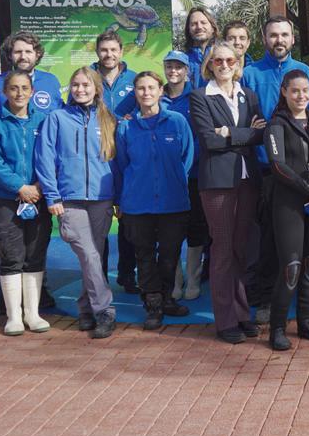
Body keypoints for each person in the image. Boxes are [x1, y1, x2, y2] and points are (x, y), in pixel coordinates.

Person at [241, 16, 309, 317]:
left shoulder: (306, 73)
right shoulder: (250, 74)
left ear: (292, 39)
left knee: (306, 242)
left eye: (285, 35)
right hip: (267, 171)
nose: (279, 40)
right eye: (274, 35)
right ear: (264, 38)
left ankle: (305, 302)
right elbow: (245, 121)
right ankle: (264, 300)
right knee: (268, 241)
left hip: (305, 174)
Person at [189, 41, 267, 344]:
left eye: (229, 60)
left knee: (241, 249)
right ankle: (225, 320)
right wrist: (242, 134)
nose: (224, 65)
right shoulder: (200, 97)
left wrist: (230, 133)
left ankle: (242, 313)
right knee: (222, 250)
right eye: (217, 61)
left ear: (237, 63)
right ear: (210, 64)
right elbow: (209, 141)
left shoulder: (249, 95)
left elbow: (261, 133)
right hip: (218, 184)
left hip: (247, 181)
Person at [36, 67, 119, 339]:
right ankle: (105, 309)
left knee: (93, 256)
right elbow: (45, 158)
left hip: (101, 198)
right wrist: (52, 195)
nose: (80, 89)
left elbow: (116, 162)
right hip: (69, 200)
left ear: (96, 89)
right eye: (75, 85)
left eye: (85, 85)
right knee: (89, 254)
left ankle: (85, 309)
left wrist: (118, 196)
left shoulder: (108, 120)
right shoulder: (57, 118)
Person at [114, 72, 195, 330]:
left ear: (161, 90)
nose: (146, 93)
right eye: (140, 88)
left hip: (173, 202)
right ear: (135, 93)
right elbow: (122, 164)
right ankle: (153, 304)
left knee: (170, 255)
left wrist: (176, 181)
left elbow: (188, 157)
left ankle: (167, 297)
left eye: (151, 88)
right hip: (138, 203)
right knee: (145, 255)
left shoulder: (177, 122)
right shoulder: (126, 127)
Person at [265, 70, 309, 350]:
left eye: (305, 91)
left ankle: (305, 322)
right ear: (284, 92)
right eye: (295, 91)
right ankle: (278, 328)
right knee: (292, 268)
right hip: (289, 204)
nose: (301, 96)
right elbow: (278, 166)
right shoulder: (276, 125)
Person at [0, 71, 53, 336]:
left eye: (24, 88)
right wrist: (20, 187)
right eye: (13, 88)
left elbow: (52, 156)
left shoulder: (44, 121)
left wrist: (39, 187)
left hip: (39, 198)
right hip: (5, 200)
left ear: (32, 91)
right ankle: (13, 316)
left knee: (35, 254)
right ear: (4, 92)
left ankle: (32, 314)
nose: (19, 93)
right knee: (10, 256)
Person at [93, 30, 138, 294]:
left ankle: (127, 273)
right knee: (99, 222)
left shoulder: (134, 80)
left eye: (113, 50)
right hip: (98, 157)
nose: (108, 55)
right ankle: (98, 277)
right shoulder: (88, 78)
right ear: (97, 51)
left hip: (128, 157)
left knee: (129, 220)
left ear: (121, 52)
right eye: (104, 50)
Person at [161, 51, 208, 301]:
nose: (174, 71)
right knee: (170, 229)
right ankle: (175, 281)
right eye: (169, 66)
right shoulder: (157, 97)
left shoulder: (198, 96)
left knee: (196, 227)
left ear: (187, 70)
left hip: (195, 174)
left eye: (179, 67)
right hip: (166, 177)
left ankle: (193, 278)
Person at [0, 31, 63, 122]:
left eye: (28, 52)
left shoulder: (50, 81)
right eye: (18, 52)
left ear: (37, 55)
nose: (23, 56)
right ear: (10, 55)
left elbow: (59, 116)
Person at [183, 7, 218, 88]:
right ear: (188, 30)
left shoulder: (223, 56)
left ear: (212, 28)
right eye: (193, 24)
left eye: (203, 22)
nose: (199, 27)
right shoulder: (184, 60)